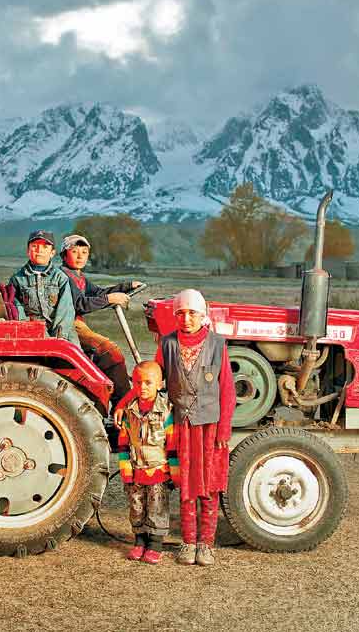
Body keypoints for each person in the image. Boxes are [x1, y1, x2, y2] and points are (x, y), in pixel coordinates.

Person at [155, 289, 235, 567]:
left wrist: (224, 429)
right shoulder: (167, 344)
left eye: (192, 313)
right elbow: (153, 380)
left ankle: (206, 544)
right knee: (187, 485)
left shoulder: (217, 344)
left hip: (211, 428)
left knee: (210, 485)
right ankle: (188, 543)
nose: (186, 318)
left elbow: (227, 389)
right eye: (181, 313)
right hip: (182, 426)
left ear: (203, 316)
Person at [60, 233, 144, 407]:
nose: (80, 256)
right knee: (111, 353)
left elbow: (98, 293)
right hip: (68, 324)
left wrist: (126, 286)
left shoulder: (78, 277)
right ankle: (124, 405)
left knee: (109, 354)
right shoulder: (63, 276)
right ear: (63, 255)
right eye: (74, 251)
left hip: (77, 324)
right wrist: (109, 299)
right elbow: (79, 304)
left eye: (84, 252)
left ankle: (115, 398)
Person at [112, 361, 173, 563]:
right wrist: (125, 470)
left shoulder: (166, 411)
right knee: (136, 507)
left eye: (148, 382)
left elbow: (172, 443)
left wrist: (175, 472)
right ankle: (139, 543)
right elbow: (123, 444)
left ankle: (155, 546)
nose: (143, 387)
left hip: (158, 470)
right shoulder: (129, 412)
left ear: (160, 384)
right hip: (136, 469)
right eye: (138, 383)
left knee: (157, 508)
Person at [8, 230, 77, 343]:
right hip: (31, 330)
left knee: (75, 356)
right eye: (34, 246)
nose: (39, 250)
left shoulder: (60, 278)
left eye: (45, 247)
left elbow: (66, 308)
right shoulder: (17, 279)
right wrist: (27, 327)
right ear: (28, 251)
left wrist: (60, 335)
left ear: (52, 252)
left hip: (60, 328)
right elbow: (16, 307)